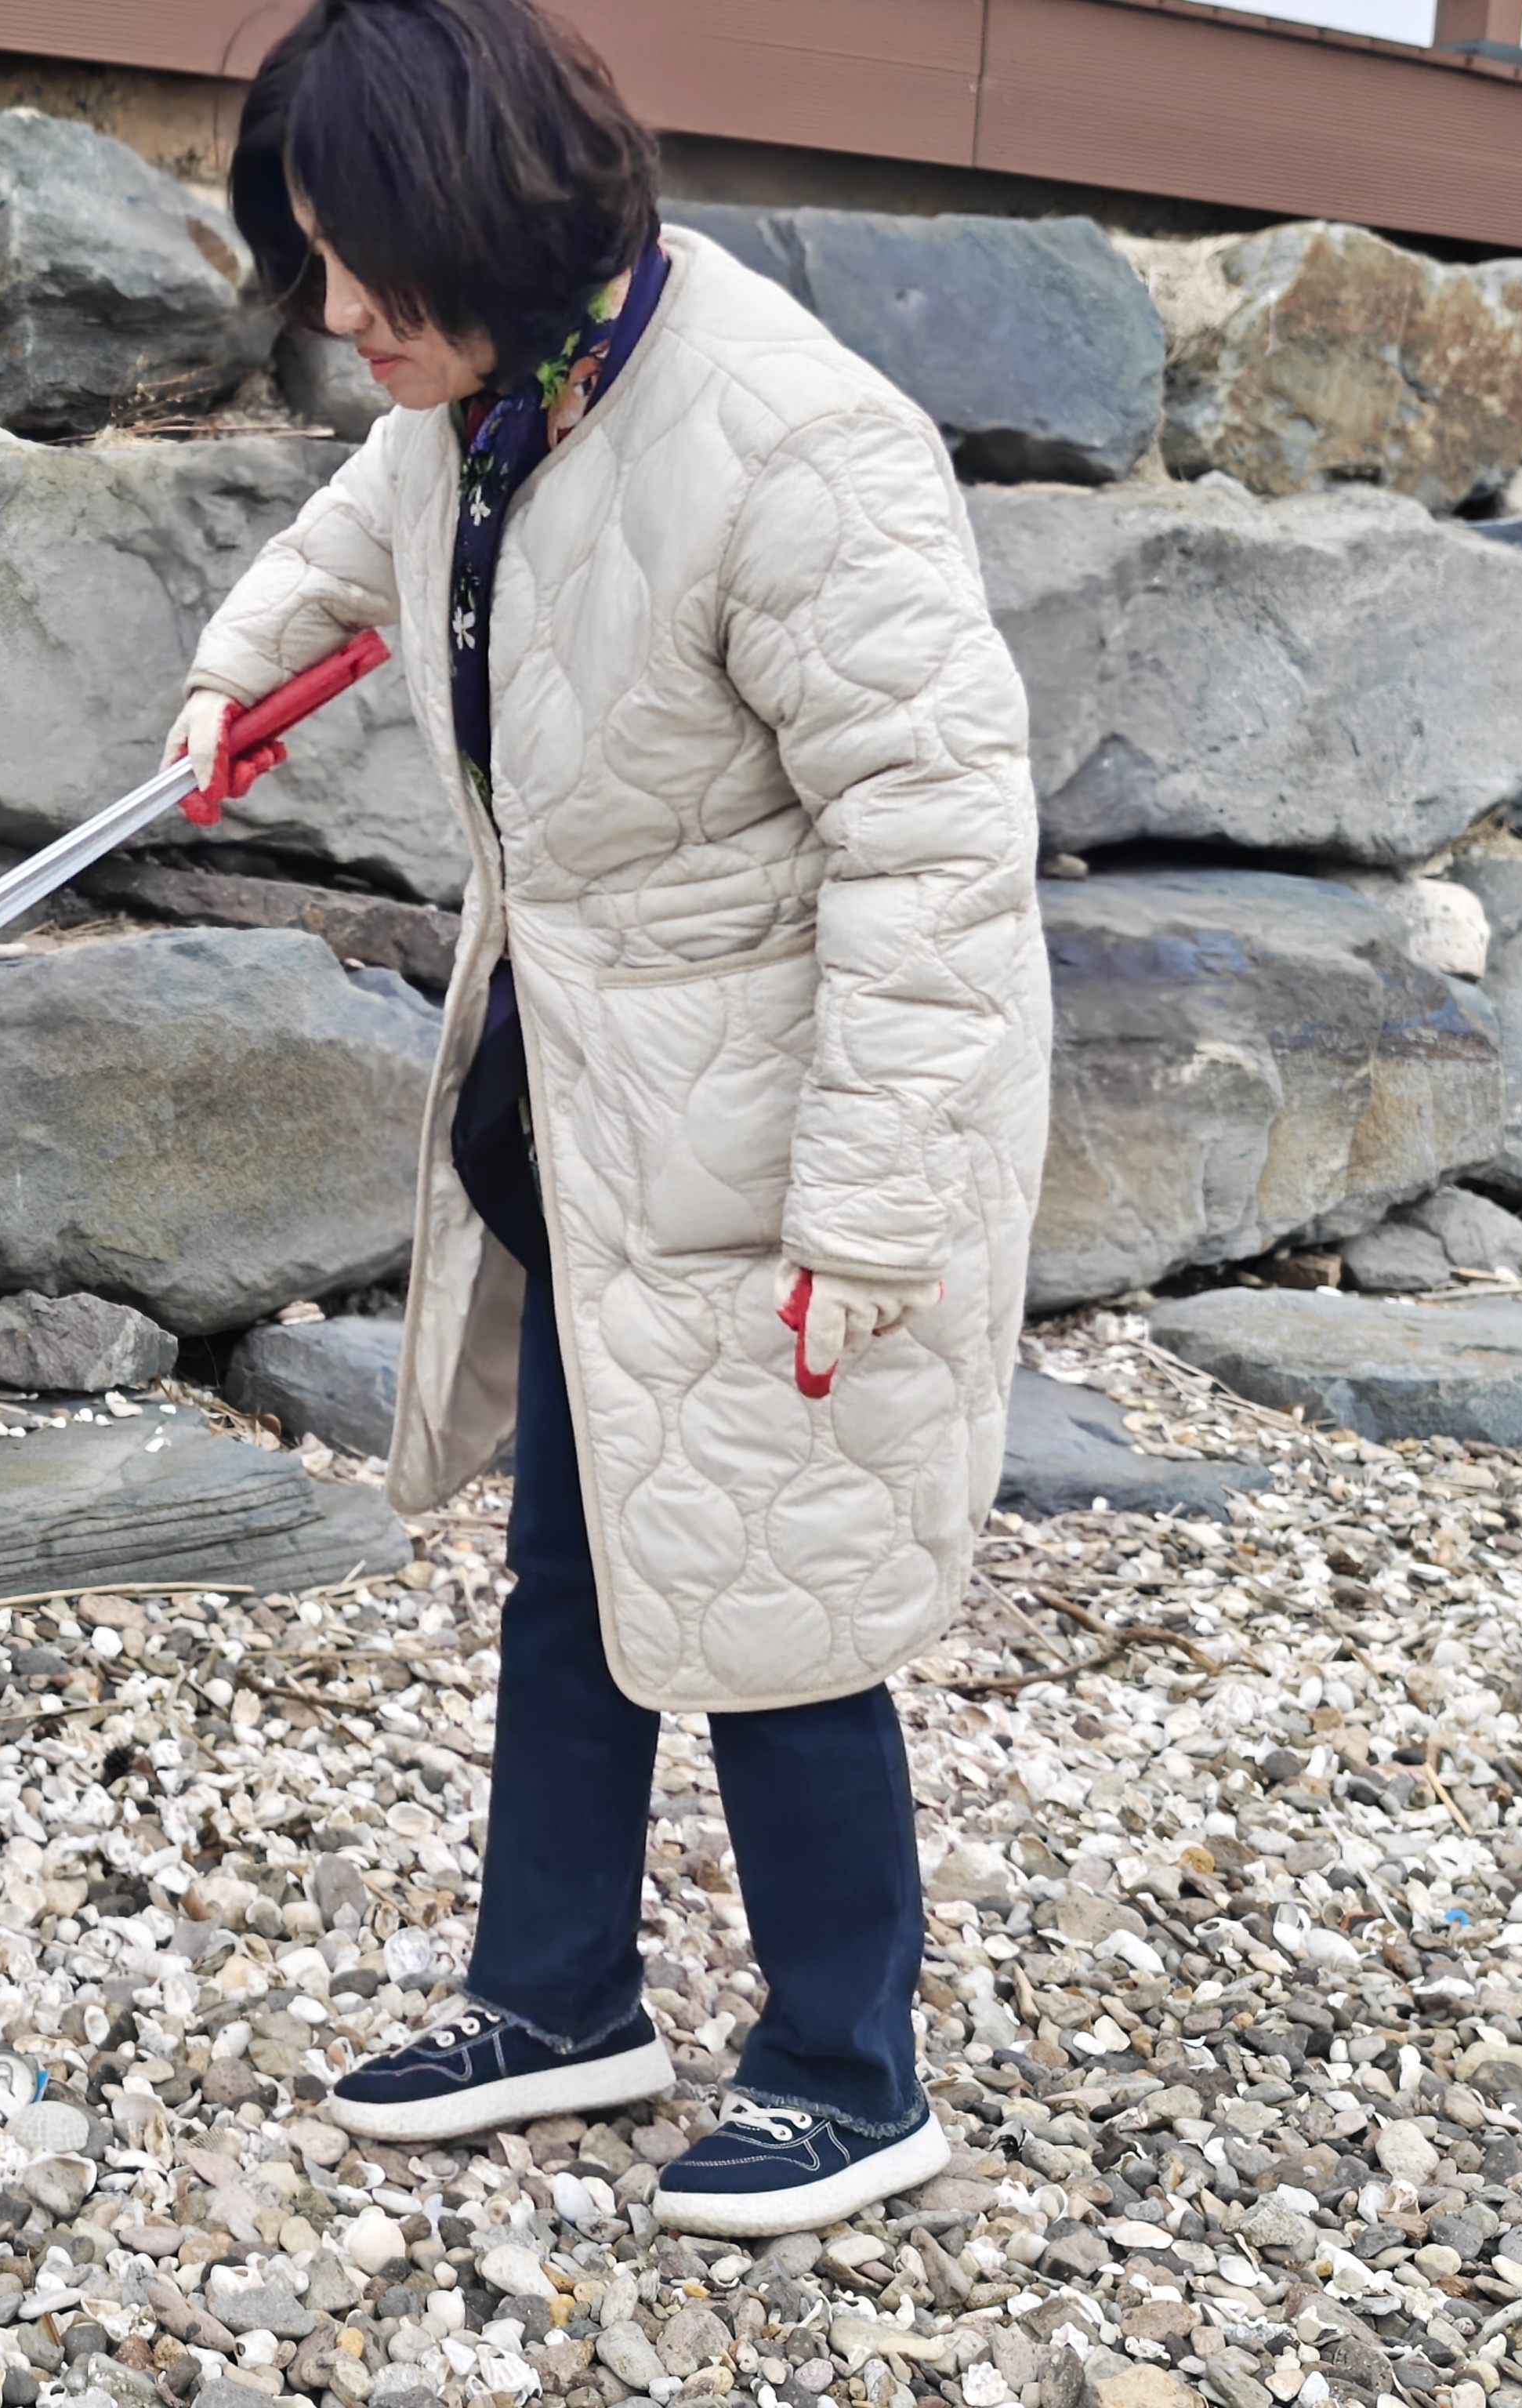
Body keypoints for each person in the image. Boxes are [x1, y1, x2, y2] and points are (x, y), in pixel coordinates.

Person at [169, 0, 1048, 2236]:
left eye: (374, 274)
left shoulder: (792, 443)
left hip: (771, 1119)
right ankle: (560, 1997)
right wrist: (228, 677)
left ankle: (853, 2068)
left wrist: (864, 1214)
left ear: (503, 222)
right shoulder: (489, 383)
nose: (344, 320)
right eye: (313, 266)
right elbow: (368, 527)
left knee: (775, 1587)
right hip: (584, 1094)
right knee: (583, 1560)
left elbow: (937, 846)